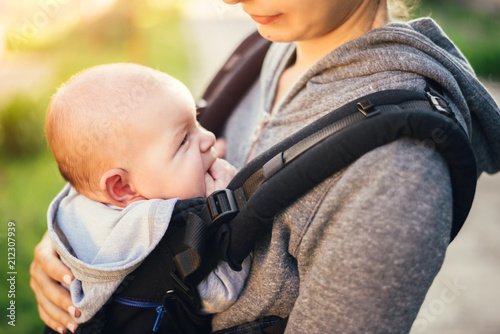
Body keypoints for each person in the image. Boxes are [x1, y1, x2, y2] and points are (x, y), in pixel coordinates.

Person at [31, 0, 500, 333]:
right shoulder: (268, 50)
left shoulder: (394, 173)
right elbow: (135, 167)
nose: (231, 0)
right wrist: (75, 241)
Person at [43, 63, 250, 332]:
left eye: (196, 121)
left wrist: (191, 154)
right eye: (183, 140)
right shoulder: (165, 235)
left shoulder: (73, 208)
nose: (208, 138)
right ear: (123, 187)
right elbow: (223, 291)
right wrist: (225, 192)